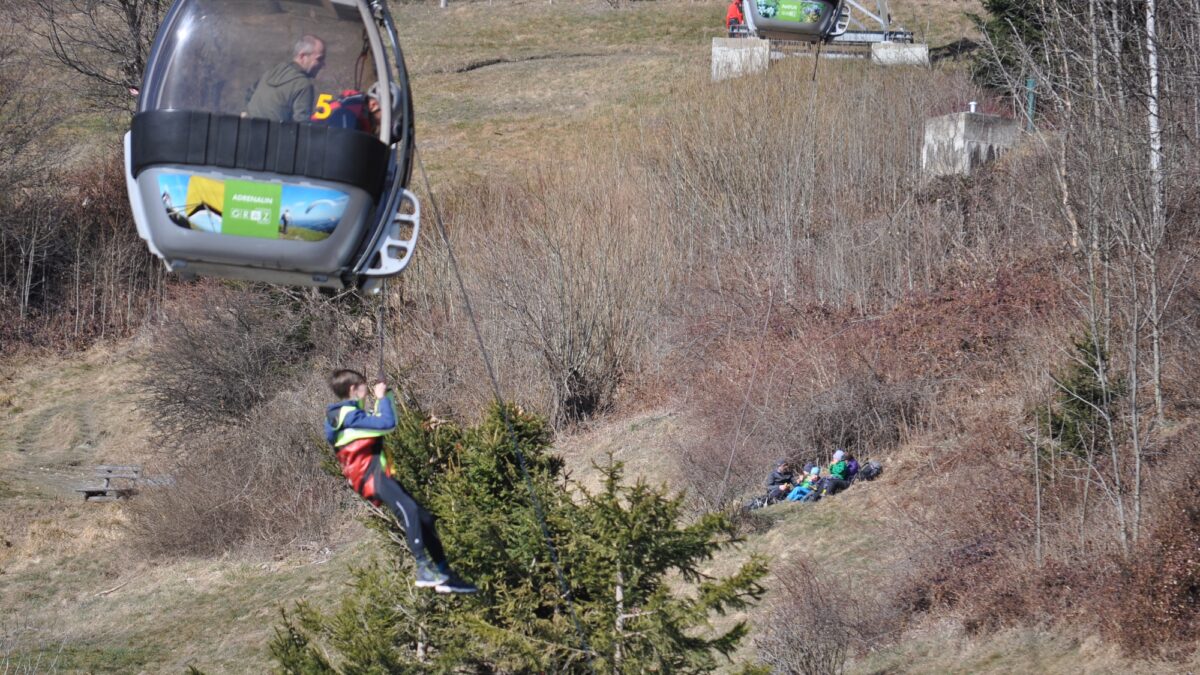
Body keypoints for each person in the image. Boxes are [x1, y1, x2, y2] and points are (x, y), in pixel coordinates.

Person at [325, 369, 476, 593]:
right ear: (353, 389)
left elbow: (384, 423)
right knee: (410, 509)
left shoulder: (350, 416)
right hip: (370, 474)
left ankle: (445, 573)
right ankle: (423, 568)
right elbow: (386, 424)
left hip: (377, 472)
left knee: (424, 518)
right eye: (364, 386)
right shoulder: (348, 417)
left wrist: (386, 398)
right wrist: (382, 398)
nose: (368, 390)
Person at [246, 34, 326, 122]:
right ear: (302, 56)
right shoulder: (303, 85)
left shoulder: (272, 71)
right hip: (275, 135)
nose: (323, 64)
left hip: (248, 130)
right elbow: (301, 127)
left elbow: (249, 94)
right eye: (319, 59)